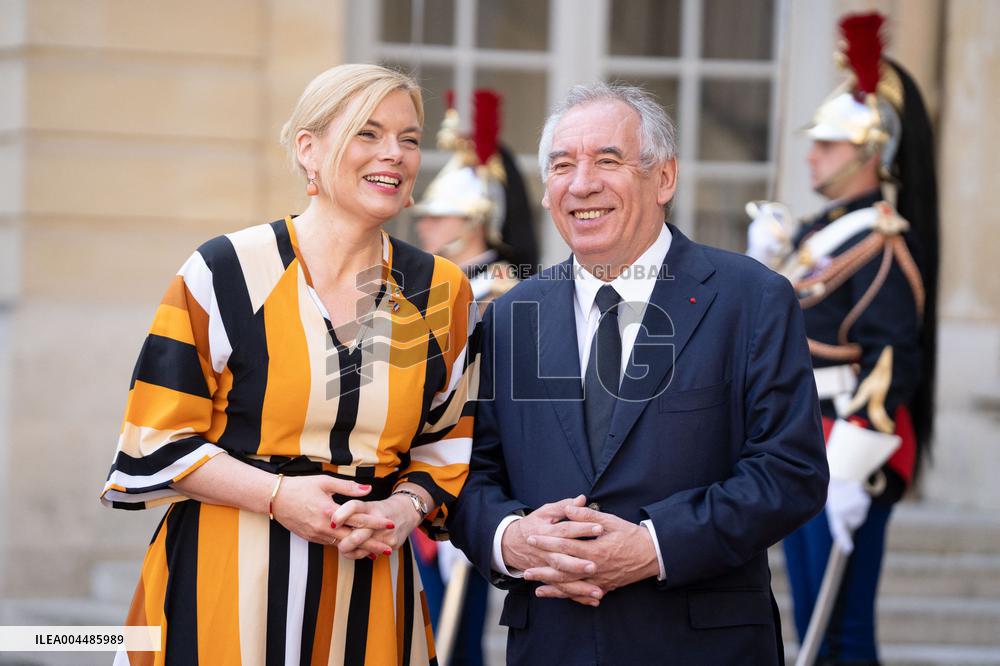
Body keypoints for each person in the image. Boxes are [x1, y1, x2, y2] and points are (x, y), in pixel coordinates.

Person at [100, 63, 480, 665]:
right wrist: (279, 495)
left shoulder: (443, 290)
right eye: (368, 133)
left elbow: (448, 444)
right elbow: (155, 436)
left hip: (372, 586)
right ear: (309, 149)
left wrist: (401, 510)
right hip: (223, 578)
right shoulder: (223, 269)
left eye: (409, 139)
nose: (395, 153)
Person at [448, 81, 829, 665]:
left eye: (608, 160)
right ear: (548, 191)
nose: (582, 184)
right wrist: (512, 539)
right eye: (562, 165)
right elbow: (470, 475)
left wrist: (655, 546)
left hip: (702, 646)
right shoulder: (509, 317)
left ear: (665, 178)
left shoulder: (750, 299)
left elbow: (790, 470)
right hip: (552, 643)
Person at [746, 13, 938, 665]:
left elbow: (892, 358)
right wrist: (767, 262)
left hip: (848, 445)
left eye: (826, 146)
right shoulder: (822, 235)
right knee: (814, 626)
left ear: (868, 153)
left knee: (841, 630)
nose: (811, 155)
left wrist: (854, 468)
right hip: (806, 440)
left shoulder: (880, 242)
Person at [409, 89, 534, 666]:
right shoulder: (429, 288)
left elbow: (506, 406)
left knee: (451, 640)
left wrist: (470, 504)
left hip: (469, 479)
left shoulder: (504, 291)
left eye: (438, 218)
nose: (427, 227)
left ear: (472, 222)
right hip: (413, 475)